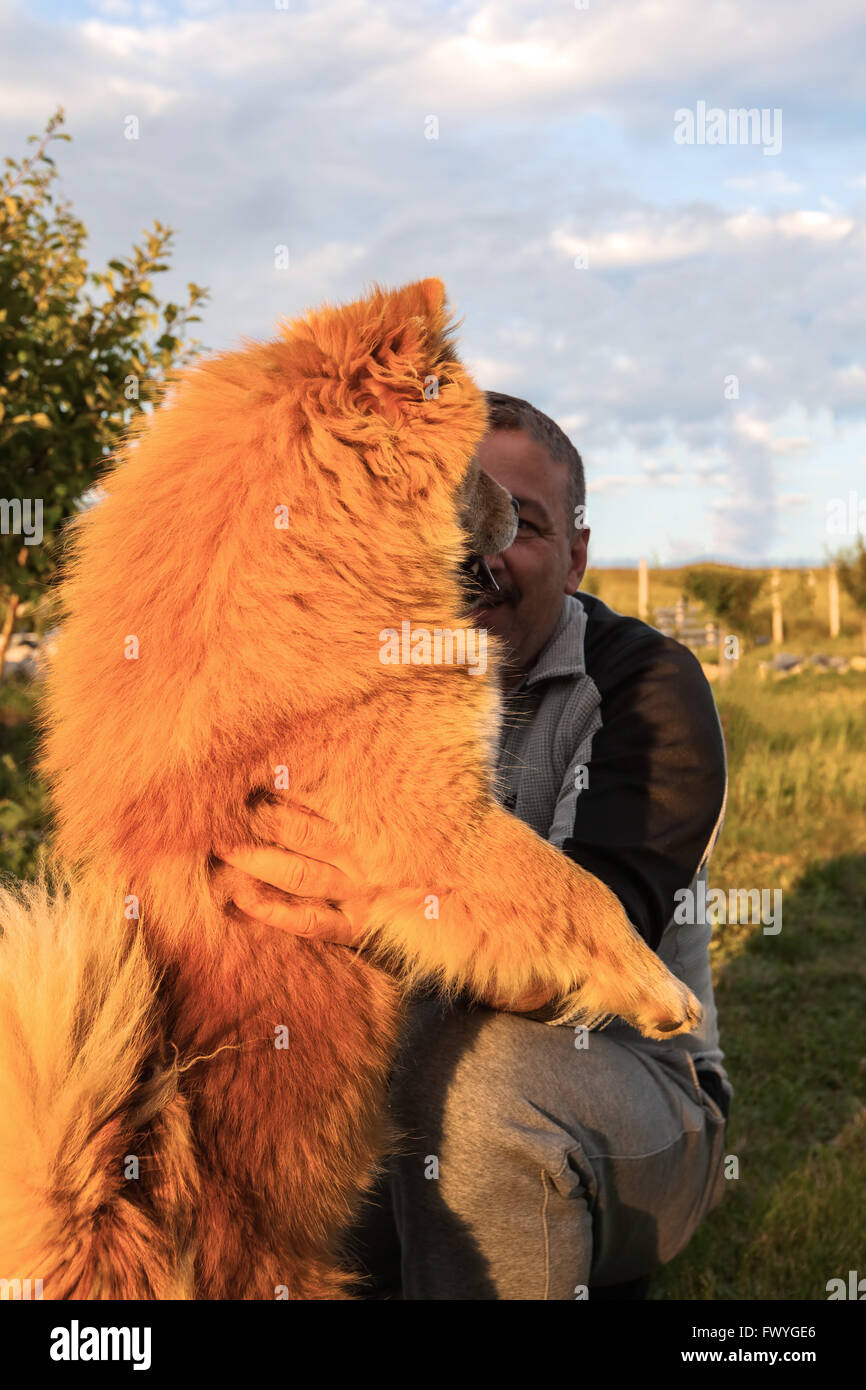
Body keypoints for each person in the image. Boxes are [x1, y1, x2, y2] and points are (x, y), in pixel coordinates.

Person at [220, 391, 732, 1300]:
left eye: (518, 524)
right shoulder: (358, 668)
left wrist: (373, 916)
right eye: (447, 515)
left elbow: (580, 959)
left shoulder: (647, 689)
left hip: (616, 1080)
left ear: (577, 556)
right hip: (388, 1077)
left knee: (482, 1089)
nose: (475, 552)